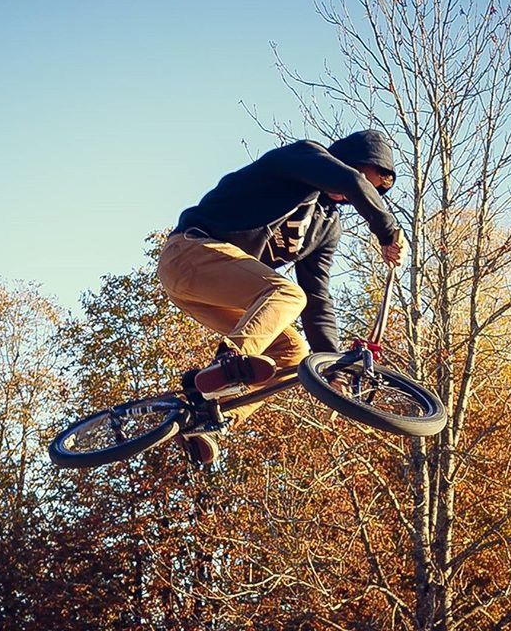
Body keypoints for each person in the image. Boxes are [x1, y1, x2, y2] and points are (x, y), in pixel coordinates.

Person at [157, 130, 407, 464]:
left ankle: (207, 419)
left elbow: (318, 299)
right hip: (190, 252)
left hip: (208, 291)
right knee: (286, 293)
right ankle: (230, 359)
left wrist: (334, 372)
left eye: (373, 190)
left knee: (293, 353)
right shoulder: (303, 158)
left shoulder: (326, 227)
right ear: (349, 163)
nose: (356, 194)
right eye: (365, 181)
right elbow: (348, 180)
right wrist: (388, 230)